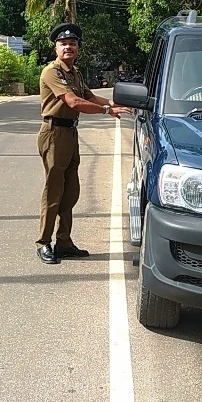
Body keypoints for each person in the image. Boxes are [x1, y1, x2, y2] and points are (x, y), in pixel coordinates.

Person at [35, 22, 132, 264]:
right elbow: (74, 103)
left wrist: (114, 104)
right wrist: (105, 111)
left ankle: (64, 242)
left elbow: (88, 96)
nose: (68, 46)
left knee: (69, 192)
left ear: (78, 47)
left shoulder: (75, 73)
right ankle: (44, 243)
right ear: (56, 48)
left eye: (72, 43)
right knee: (54, 191)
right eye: (63, 43)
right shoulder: (52, 72)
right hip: (54, 133)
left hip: (69, 134)